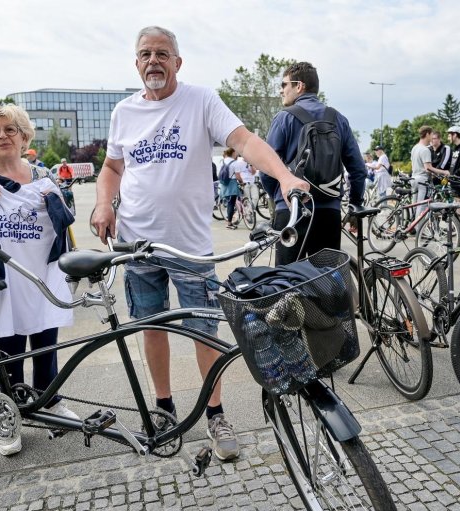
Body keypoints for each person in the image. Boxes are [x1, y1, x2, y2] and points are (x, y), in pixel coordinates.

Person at [90, 26, 309, 461]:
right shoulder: (123, 112)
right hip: (137, 246)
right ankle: (165, 408)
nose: (154, 60)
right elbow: (112, 167)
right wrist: (102, 204)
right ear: (136, 63)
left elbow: (243, 140)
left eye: (163, 54)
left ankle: (215, 413)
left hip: (191, 248)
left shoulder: (200, 100)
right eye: (145, 54)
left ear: (177, 62)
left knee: (204, 331)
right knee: (151, 327)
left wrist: (284, 176)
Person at [0, 103, 78, 456]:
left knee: (46, 346)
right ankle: (8, 417)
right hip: (1, 279)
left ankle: (49, 403)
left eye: (11, 130)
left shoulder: (43, 177)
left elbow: (65, 225)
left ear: (24, 137)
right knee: (6, 354)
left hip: (40, 276)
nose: (3, 136)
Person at [263, 60, 365, 264]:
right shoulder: (339, 120)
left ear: (298, 86)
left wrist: (277, 197)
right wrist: (355, 204)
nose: (281, 91)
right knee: (326, 282)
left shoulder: (284, 118)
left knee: (287, 283)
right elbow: (358, 170)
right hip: (329, 212)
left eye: (284, 85)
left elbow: (266, 167)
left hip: (292, 210)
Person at [411, 125, 450, 221]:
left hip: (414, 179)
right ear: (427, 134)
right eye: (431, 135)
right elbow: (428, 168)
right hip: (422, 181)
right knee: (422, 207)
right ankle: (419, 230)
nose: (432, 138)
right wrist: (444, 172)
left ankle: (413, 226)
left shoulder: (415, 148)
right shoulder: (425, 150)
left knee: (414, 205)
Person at [221, 147, 243, 229]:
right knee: (231, 203)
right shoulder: (235, 163)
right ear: (233, 152)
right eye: (236, 152)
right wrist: (242, 182)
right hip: (232, 184)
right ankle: (229, 223)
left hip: (224, 183)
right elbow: (238, 176)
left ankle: (230, 218)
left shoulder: (223, 160)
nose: (237, 154)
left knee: (229, 202)